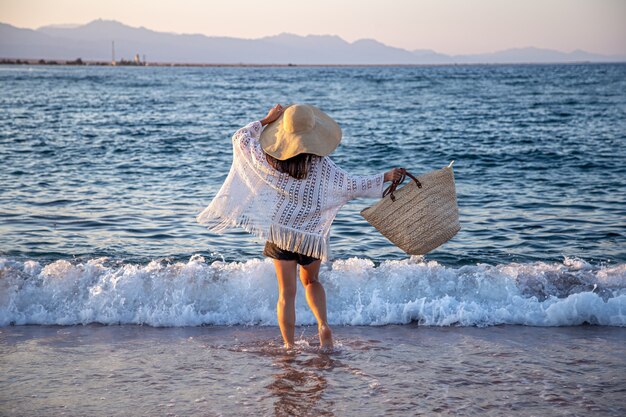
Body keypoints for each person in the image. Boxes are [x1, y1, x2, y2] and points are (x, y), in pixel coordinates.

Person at [197, 103, 402, 349]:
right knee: (312, 282)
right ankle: (323, 326)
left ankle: (289, 347)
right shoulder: (320, 165)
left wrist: (265, 119)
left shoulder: (268, 159)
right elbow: (352, 185)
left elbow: (239, 138)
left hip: (281, 234)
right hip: (311, 236)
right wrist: (386, 177)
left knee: (287, 293)